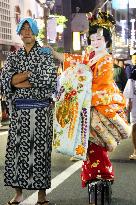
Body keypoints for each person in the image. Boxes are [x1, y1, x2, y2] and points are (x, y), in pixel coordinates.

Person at [1, 17, 57, 205]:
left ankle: (42, 195)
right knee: (17, 152)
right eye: (23, 28)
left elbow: (47, 80)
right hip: (19, 113)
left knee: (40, 153)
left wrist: (18, 80)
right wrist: (28, 76)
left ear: (35, 31)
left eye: (30, 28)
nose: (26, 32)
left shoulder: (45, 54)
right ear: (19, 32)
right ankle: (18, 193)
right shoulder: (13, 56)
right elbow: (5, 81)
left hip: (41, 112)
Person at [123, 52, 136, 160]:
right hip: (135, 103)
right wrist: (129, 103)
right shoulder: (134, 71)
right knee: (135, 127)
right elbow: (130, 89)